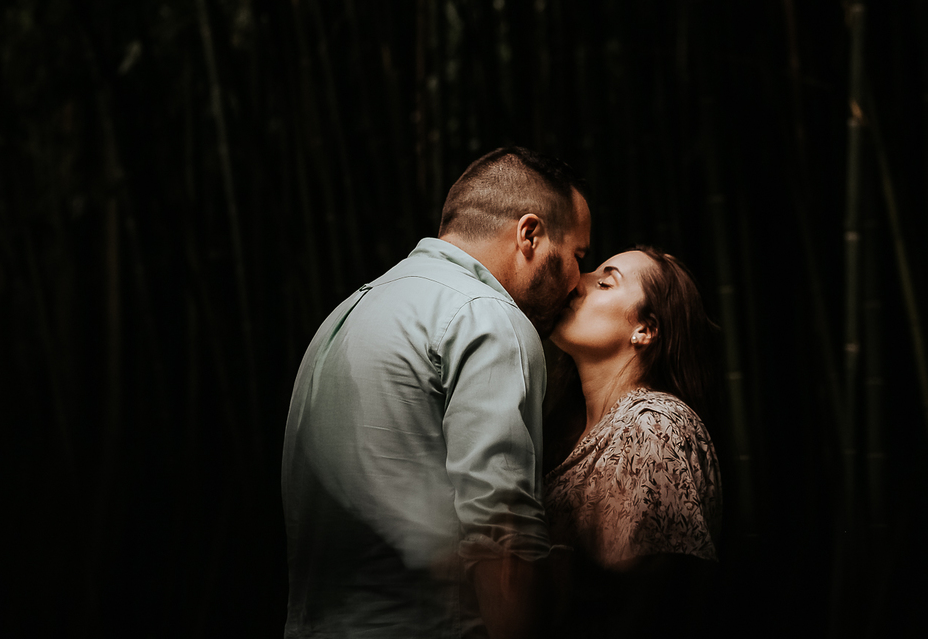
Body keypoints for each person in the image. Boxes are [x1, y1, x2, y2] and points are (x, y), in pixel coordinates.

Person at [281, 147, 591, 639]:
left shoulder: (345, 315)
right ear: (530, 234)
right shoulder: (490, 319)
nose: (578, 285)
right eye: (579, 256)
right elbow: (502, 543)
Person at [542, 246, 721, 636]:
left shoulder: (655, 427)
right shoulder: (564, 434)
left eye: (605, 282)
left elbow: (650, 602)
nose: (575, 281)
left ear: (645, 330)